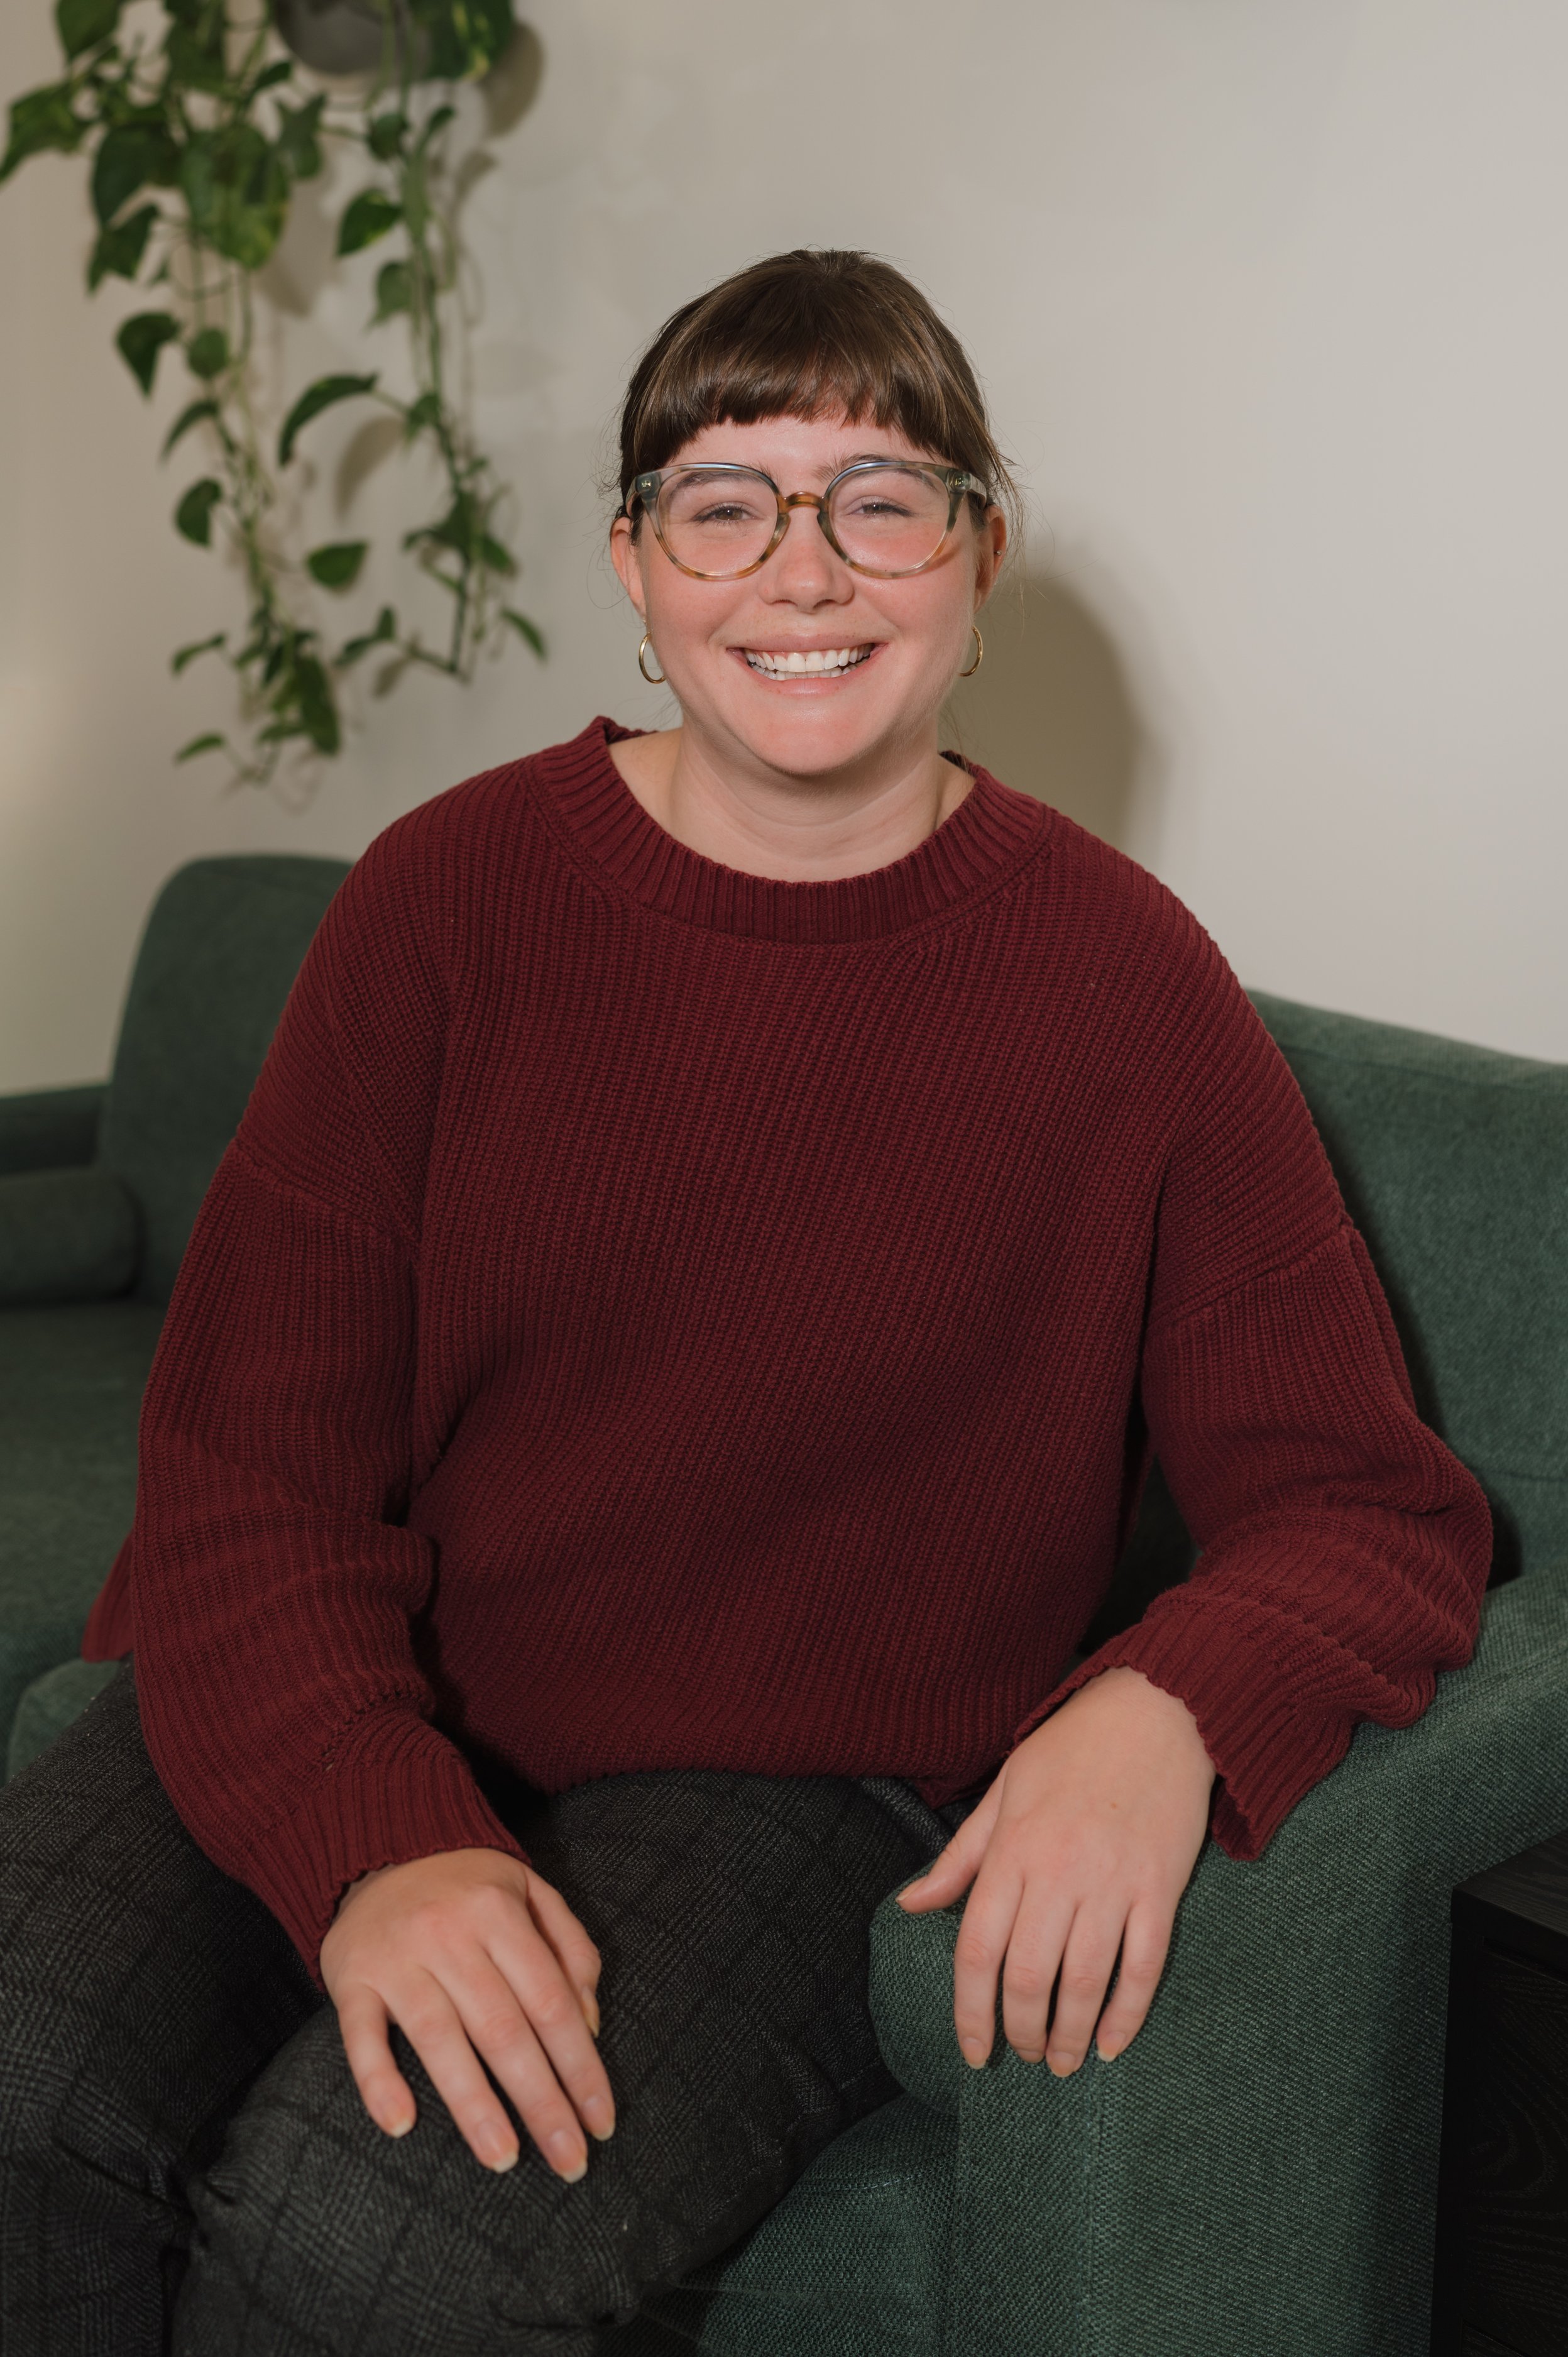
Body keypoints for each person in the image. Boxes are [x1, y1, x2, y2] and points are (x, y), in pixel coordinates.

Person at [0, 248, 1490, 2354]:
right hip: (358, 1659)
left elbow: (1372, 1507)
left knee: (379, 2255)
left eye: (880, 495)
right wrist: (370, 1841)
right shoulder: (445, 901)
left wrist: (1163, 1708)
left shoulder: (1126, 984)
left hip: (792, 1781)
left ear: (980, 553)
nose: (803, 567)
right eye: (723, 499)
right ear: (632, 560)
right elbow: (246, 1462)